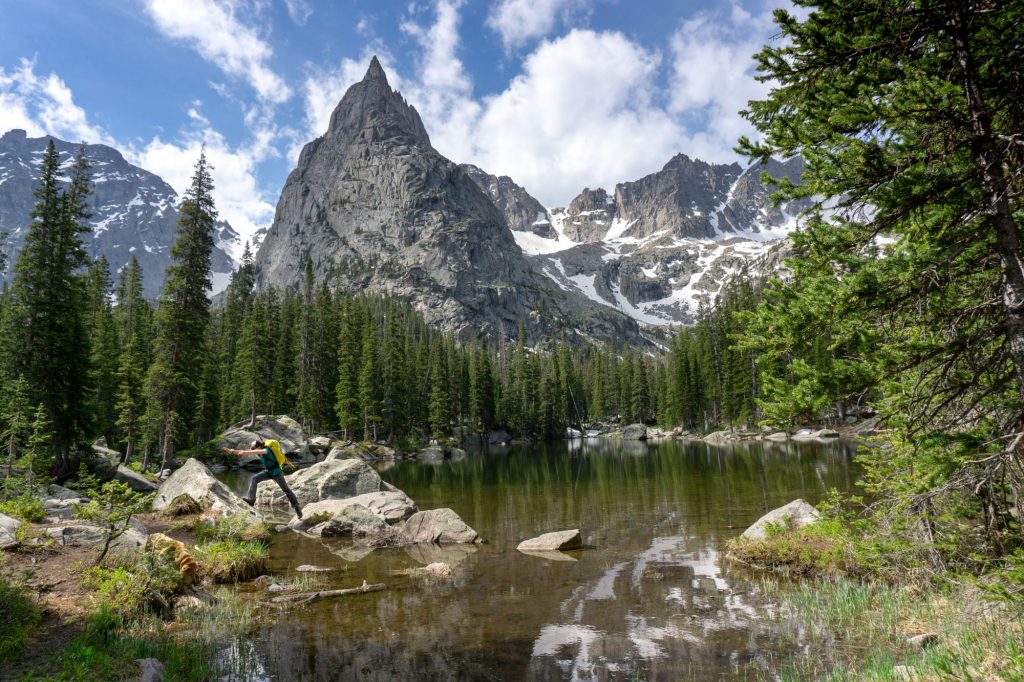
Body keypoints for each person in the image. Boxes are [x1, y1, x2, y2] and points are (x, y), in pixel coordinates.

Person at [224, 439, 303, 518]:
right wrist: (232, 451)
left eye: (253, 448)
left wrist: (241, 452)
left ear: (259, 446)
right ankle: (251, 500)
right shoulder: (260, 451)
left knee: (286, 490)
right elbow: (245, 451)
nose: (253, 450)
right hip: (268, 471)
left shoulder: (265, 450)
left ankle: (297, 508)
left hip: (277, 473)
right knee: (254, 479)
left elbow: (245, 452)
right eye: (252, 449)